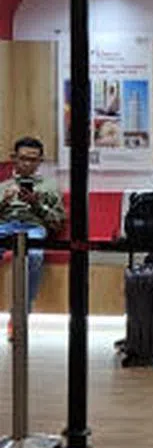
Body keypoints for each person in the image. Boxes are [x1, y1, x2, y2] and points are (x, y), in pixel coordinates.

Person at [0, 136, 65, 337]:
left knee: (35, 256)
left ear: (40, 162)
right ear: (14, 158)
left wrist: (37, 204)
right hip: (4, 225)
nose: (27, 164)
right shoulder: (3, 186)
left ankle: (20, 316)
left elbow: (57, 221)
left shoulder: (50, 186)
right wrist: (4, 201)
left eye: (33, 159)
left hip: (34, 227)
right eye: (23, 158)